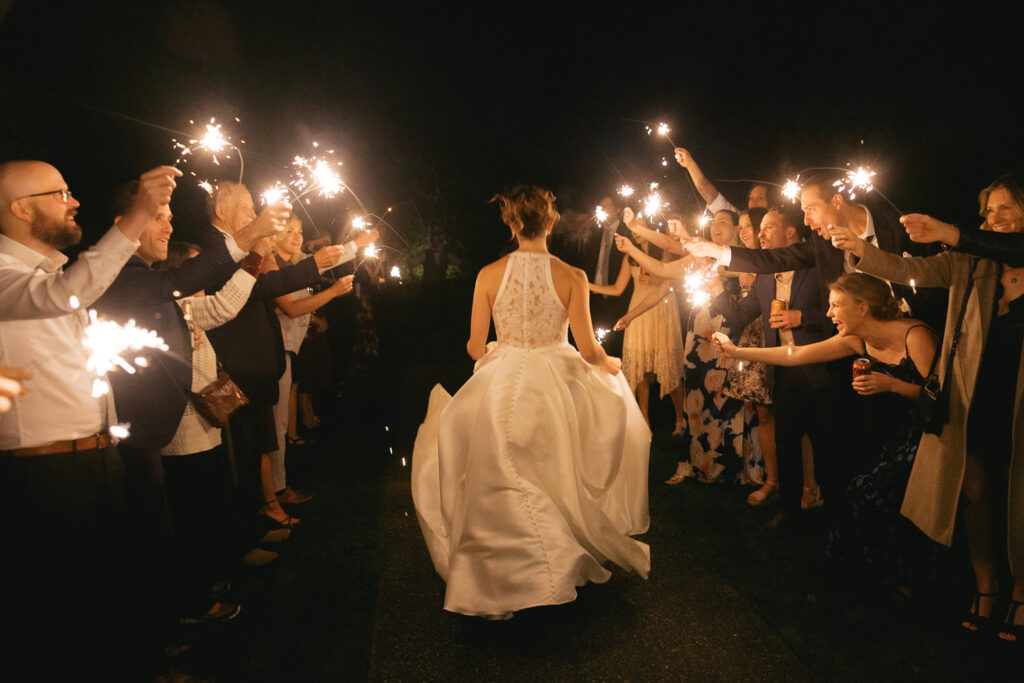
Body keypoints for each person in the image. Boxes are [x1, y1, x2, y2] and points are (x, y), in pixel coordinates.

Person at [411, 185, 650, 619]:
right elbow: (588, 347)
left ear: (512, 224)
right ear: (552, 222)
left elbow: (473, 345)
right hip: (554, 377)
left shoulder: (487, 274)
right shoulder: (571, 275)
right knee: (552, 466)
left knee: (497, 464)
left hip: (504, 373)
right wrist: (607, 364)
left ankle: (499, 571)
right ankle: (551, 562)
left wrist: (500, 355)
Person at [0, 161, 179, 677]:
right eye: (60, 192)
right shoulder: (16, 278)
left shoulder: (52, 274)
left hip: (97, 460)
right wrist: (139, 213)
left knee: (108, 599)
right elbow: (67, 295)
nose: (73, 200)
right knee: (64, 614)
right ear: (21, 208)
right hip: (45, 476)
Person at [829, 173, 1024, 641]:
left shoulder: (992, 249)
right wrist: (861, 248)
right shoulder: (969, 261)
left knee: (1021, 493)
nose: (994, 219)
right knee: (976, 490)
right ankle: (986, 585)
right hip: (975, 397)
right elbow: (904, 269)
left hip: (1019, 401)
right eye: (988, 211)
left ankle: (1022, 593)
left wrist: (950, 231)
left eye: (1005, 209)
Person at [716, 273, 939, 590]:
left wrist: (891, 384)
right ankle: (876, 573)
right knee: (860, 491)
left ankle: (902, 576)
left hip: (924, 436)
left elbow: (940, 398)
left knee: (867, 492)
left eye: (836, 305)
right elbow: (796, 354)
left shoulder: (915, 336)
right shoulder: (856, 339)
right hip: (883, 431)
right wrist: (738, 352)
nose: (829, 313)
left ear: (862, 308)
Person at [616, 210, 746, 485]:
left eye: (723, 222)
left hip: (730, 334)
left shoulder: (742, 258)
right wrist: (630, 248)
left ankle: (730, 465)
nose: (715, 226)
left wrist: (641, 228)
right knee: (697, 397)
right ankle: (698, 462)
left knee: (727, 396)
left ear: (736, 229)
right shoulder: (696, 259)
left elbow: (668, 244)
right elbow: (662, 273)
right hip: (699, 334)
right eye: (712, 222)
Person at [262, 216, 354, 508]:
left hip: (288, 347)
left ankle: (279, 487)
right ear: (273, 236)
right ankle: (275, 493)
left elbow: (323, 261)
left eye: (300, 231)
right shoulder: (269, 263)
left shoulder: (294, 263)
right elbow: (290, 308)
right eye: (289, 231)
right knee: (275, 426)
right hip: (272, 350)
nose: (296, 236)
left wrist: (358, 243)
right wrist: (333, 292)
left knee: (282, 422)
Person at [588, 209, 684, 434]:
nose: (636, 231)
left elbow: (674, 280)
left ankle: (681, 419)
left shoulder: (665, 252)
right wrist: (586, 286)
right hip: (638, 310)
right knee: (641, 369)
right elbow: (617, 288)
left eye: (640, 225)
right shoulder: (629, 255)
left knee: (668, 365)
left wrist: (654, 278)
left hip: (663, 308)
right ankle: (644, 421)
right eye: (633, 227)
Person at [722, 207, 775, 502]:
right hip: (753, 339)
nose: (744, 232)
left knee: (788, 415)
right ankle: (770, 477)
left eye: (747, 226)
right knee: (762, 412)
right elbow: (742, 313)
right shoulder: (745, 263)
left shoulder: (773, 260)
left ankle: (807, 482)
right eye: (740, 227)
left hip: (774, 339)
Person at [673, 147, 769, 212]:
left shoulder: (781, 227)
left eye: (760, 198)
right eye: (751, 198)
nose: (754, 203)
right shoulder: (739, 221)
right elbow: (712, 197)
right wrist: (689, 164)